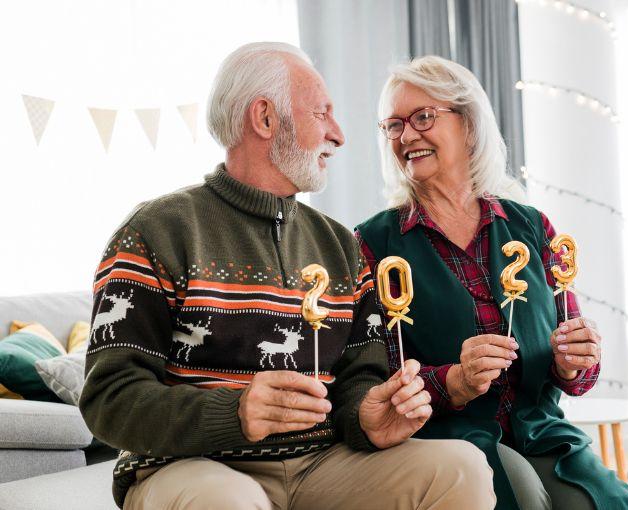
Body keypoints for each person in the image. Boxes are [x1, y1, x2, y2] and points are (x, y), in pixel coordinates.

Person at [79, 43, 495, 510]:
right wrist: (233, 413)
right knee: (227, 499)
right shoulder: (157, 231)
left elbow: (360, 378)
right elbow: (108, 401)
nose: (339, 135)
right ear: (265, 119)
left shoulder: (341, 246)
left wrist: (368, 417)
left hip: (319, 463)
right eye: (322, 113)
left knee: (461, 467)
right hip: (188, 465)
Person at [355, 55, 628, 509]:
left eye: (423, 117)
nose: (407, 136)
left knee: (603, 502)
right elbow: (371, 379)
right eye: (393, 126)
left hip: (540, 428)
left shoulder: (530, 227)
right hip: (445, 438)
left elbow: (574, 365)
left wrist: (573, 361)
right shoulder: (373, 243)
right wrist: (453, 381)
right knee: (521, 501)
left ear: (468, 125)